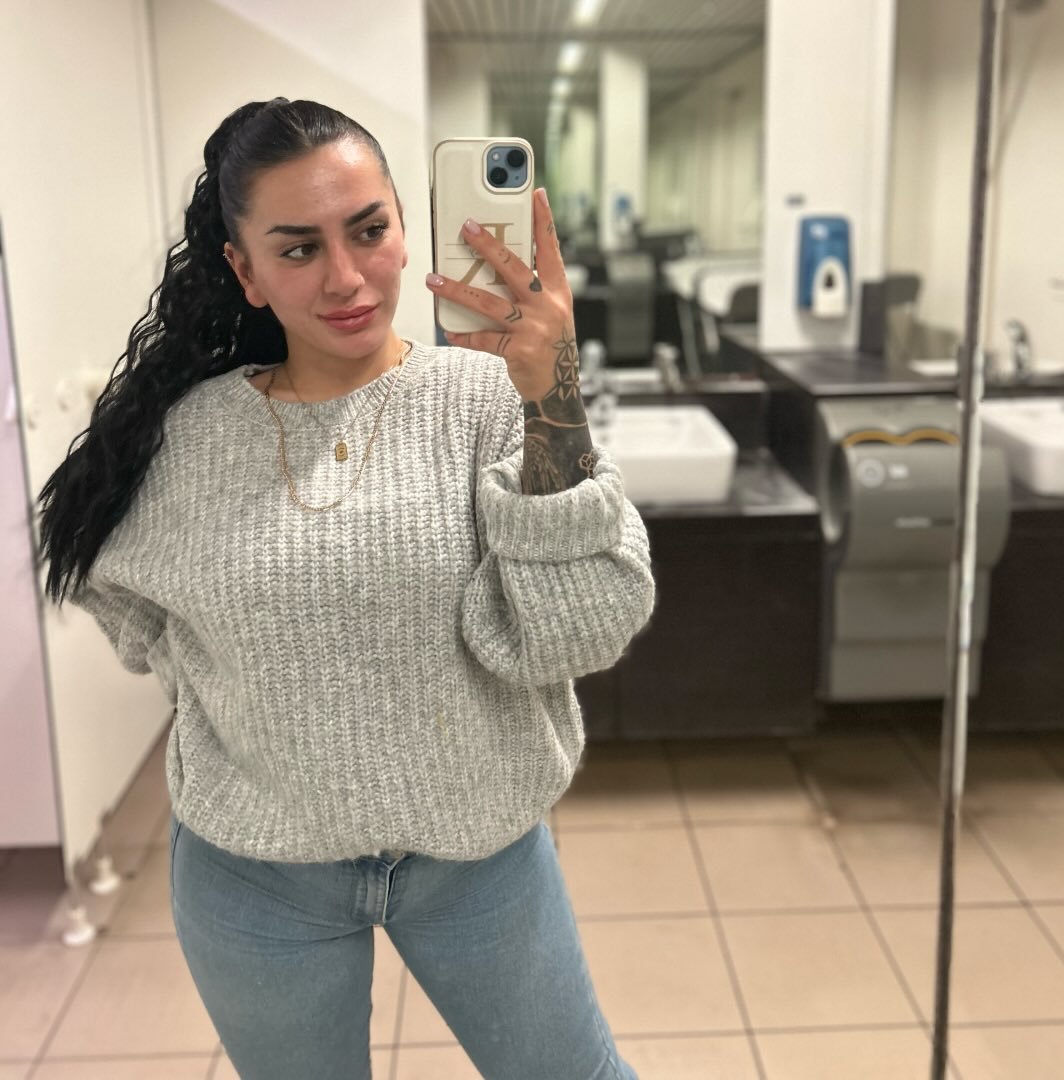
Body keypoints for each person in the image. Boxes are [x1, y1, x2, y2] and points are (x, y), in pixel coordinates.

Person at [35, 98, 655, 1079]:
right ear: (243, 270)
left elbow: (583, 633)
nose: (346, 277)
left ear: (405, 227)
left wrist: (558, 399)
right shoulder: (192, 436)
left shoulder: (494, 397)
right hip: (255, 875)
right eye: (298, 248)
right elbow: (133, 611)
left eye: (368, 231)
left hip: (478, 853)